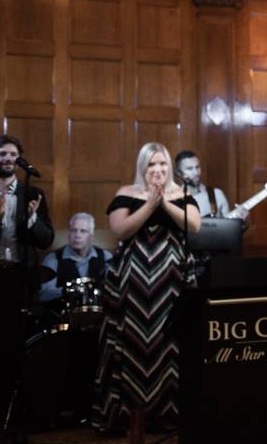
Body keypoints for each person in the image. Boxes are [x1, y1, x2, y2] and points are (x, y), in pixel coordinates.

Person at [92, 142, 200, 437]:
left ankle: (170, 413)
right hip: (134, 280)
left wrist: (164, 203)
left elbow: (195, 226)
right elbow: (121, 229)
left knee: (171, 341)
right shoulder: (127, 193)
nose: (158, 170)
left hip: (173, 278)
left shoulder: (182, 194)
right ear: (142, 167)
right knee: (134, 342)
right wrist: (150, 205)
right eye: (151, 165)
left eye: (162, 164)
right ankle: (130, 415)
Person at [0, 135, 54, 434]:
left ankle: (10, 424)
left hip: (17, 282)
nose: (9, 159)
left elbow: (46, 239)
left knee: (13, 355)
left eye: (13, 154)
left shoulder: (32, 193)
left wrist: (33, 220)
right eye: (2, 154)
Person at [39, 212, 113, 306]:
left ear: (91, 236)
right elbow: (43, 294)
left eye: (83, 231)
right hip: (63, 315)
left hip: (98, 313)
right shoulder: (53, 259)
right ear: (68, 234)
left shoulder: (106, 257)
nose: (77, 235)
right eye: (73, 230)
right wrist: (69, 291)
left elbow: (113, 290)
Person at [174, 150, 247, 221]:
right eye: (190, 169)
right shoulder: (174, 200)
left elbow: (229, 230)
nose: (196, 173)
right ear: (179, 173)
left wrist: (240, 221)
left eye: (197, 167)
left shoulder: (216, 194)